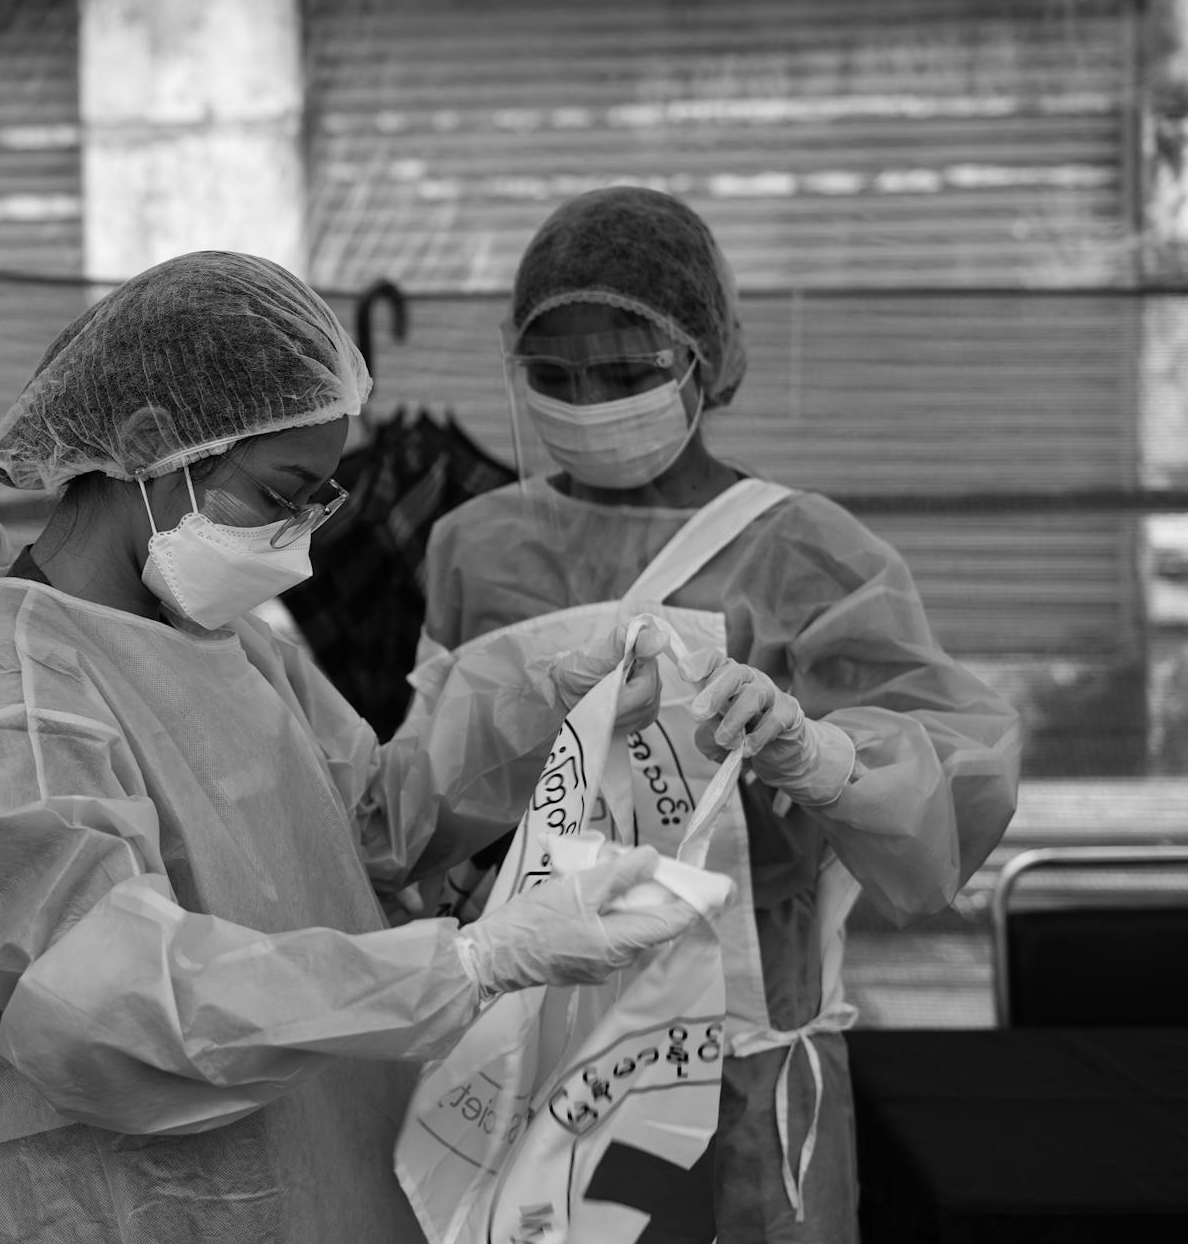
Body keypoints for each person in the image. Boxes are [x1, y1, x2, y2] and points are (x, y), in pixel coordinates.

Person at [0, 250, 721, 1244]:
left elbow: (364, 819)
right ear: (152, 444)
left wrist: (551, 700)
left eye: (320, 500)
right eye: (282, 494)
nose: (302, 545)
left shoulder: (222, 644)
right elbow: (113, 999)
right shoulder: (15, 694)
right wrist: (469, 964)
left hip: (314, 1175)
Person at [418, 186, 1022, 1242]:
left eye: (625, 372)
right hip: (528, 1040)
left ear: (706, 361)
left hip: (744, 1049)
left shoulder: (809, 550)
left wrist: (820, 752)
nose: (588, 400)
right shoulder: (475, 545)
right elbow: (428, 785)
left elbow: (954, 769)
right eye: (553, 377)